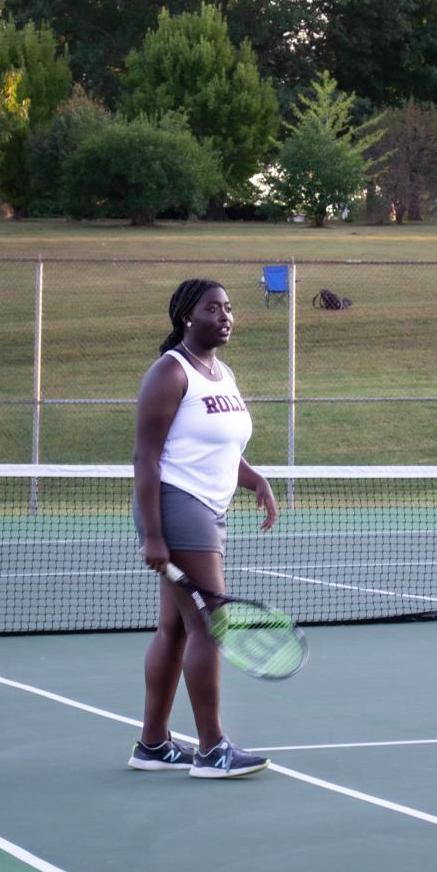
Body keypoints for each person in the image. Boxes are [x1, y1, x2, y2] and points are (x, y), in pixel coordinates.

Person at [128, 279, 279, 779]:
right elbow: (146, 457)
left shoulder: (222, 372)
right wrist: (153, 534)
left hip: (211, 508)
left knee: (175, 628)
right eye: (213, 308)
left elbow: (220, 446)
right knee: (211, 622)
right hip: (178, 505)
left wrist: (252, 475)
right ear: (186, 316)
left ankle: (152, 744)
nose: (225, 316)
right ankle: (212, 748)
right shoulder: (170, 372)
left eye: (229, 308)